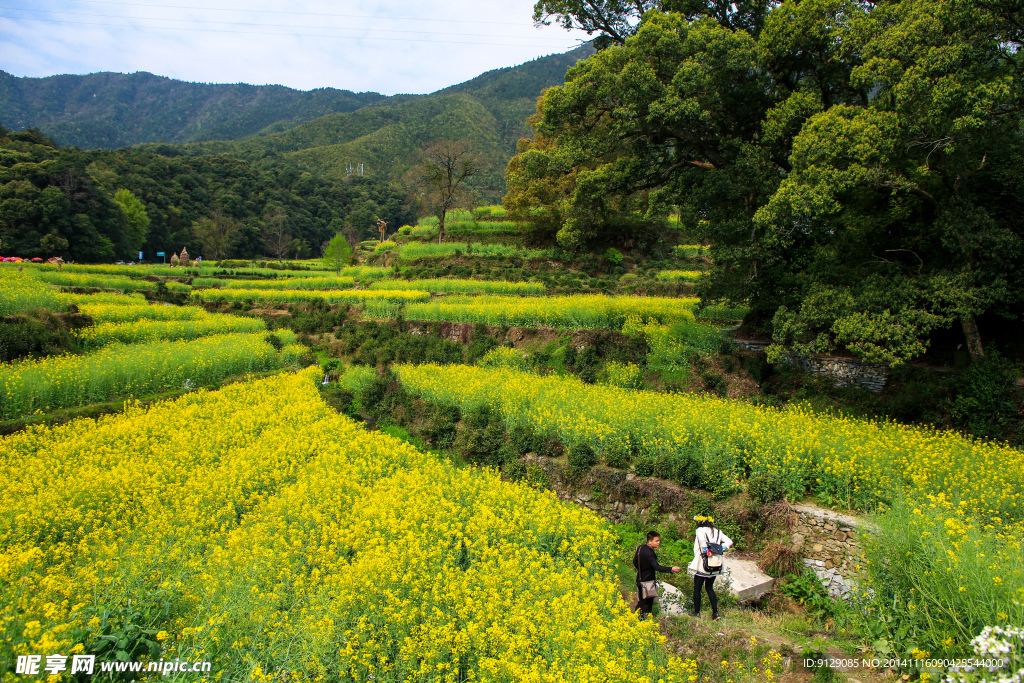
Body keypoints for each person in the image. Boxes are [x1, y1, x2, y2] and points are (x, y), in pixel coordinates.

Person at [688, 515, 733, 620]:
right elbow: (729, 542)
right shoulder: (718, 531)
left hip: (703, 564)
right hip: (715, 565)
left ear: (700, 523)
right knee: (709, 588)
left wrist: (707, 550)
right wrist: (719, 548)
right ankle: (715, 613)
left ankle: (696, 612)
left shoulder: (700, 530)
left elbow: (701, 541)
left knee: (697, 588)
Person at [633, 530, 681, 620]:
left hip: (640, 580)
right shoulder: (650, 553)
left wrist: (641, 570)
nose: (658, 543)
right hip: (648, 582)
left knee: (641, 602)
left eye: (659, 540)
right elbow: (657, 567)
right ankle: (642, 621)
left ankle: (635, 619)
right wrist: (671, 569)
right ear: (650, 541)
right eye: (656, 541)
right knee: (647, 604)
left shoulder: (640, 548)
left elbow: (635, 562)